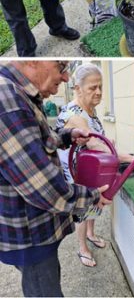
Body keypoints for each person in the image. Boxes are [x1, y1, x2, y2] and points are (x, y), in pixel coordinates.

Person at [0, 61, 112, 297]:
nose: (65, 76)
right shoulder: (7, 101)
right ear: (31, 61)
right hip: (30, 233)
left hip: (34, 228)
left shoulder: (19, 93)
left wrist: (67, 137)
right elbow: (45, 190)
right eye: (60, 66)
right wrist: (93, 195)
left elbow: (36, 141)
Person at [56, 63, 134, 267]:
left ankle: (91, 234)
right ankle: (82, 247)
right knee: (83, 210)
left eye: (100, 86)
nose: (99, 92)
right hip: (77, 174)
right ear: (78, 88)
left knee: (95, 203)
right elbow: (97, 144)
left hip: (91, 170)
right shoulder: (75, 115)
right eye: (92, 87)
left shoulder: (90, 110)